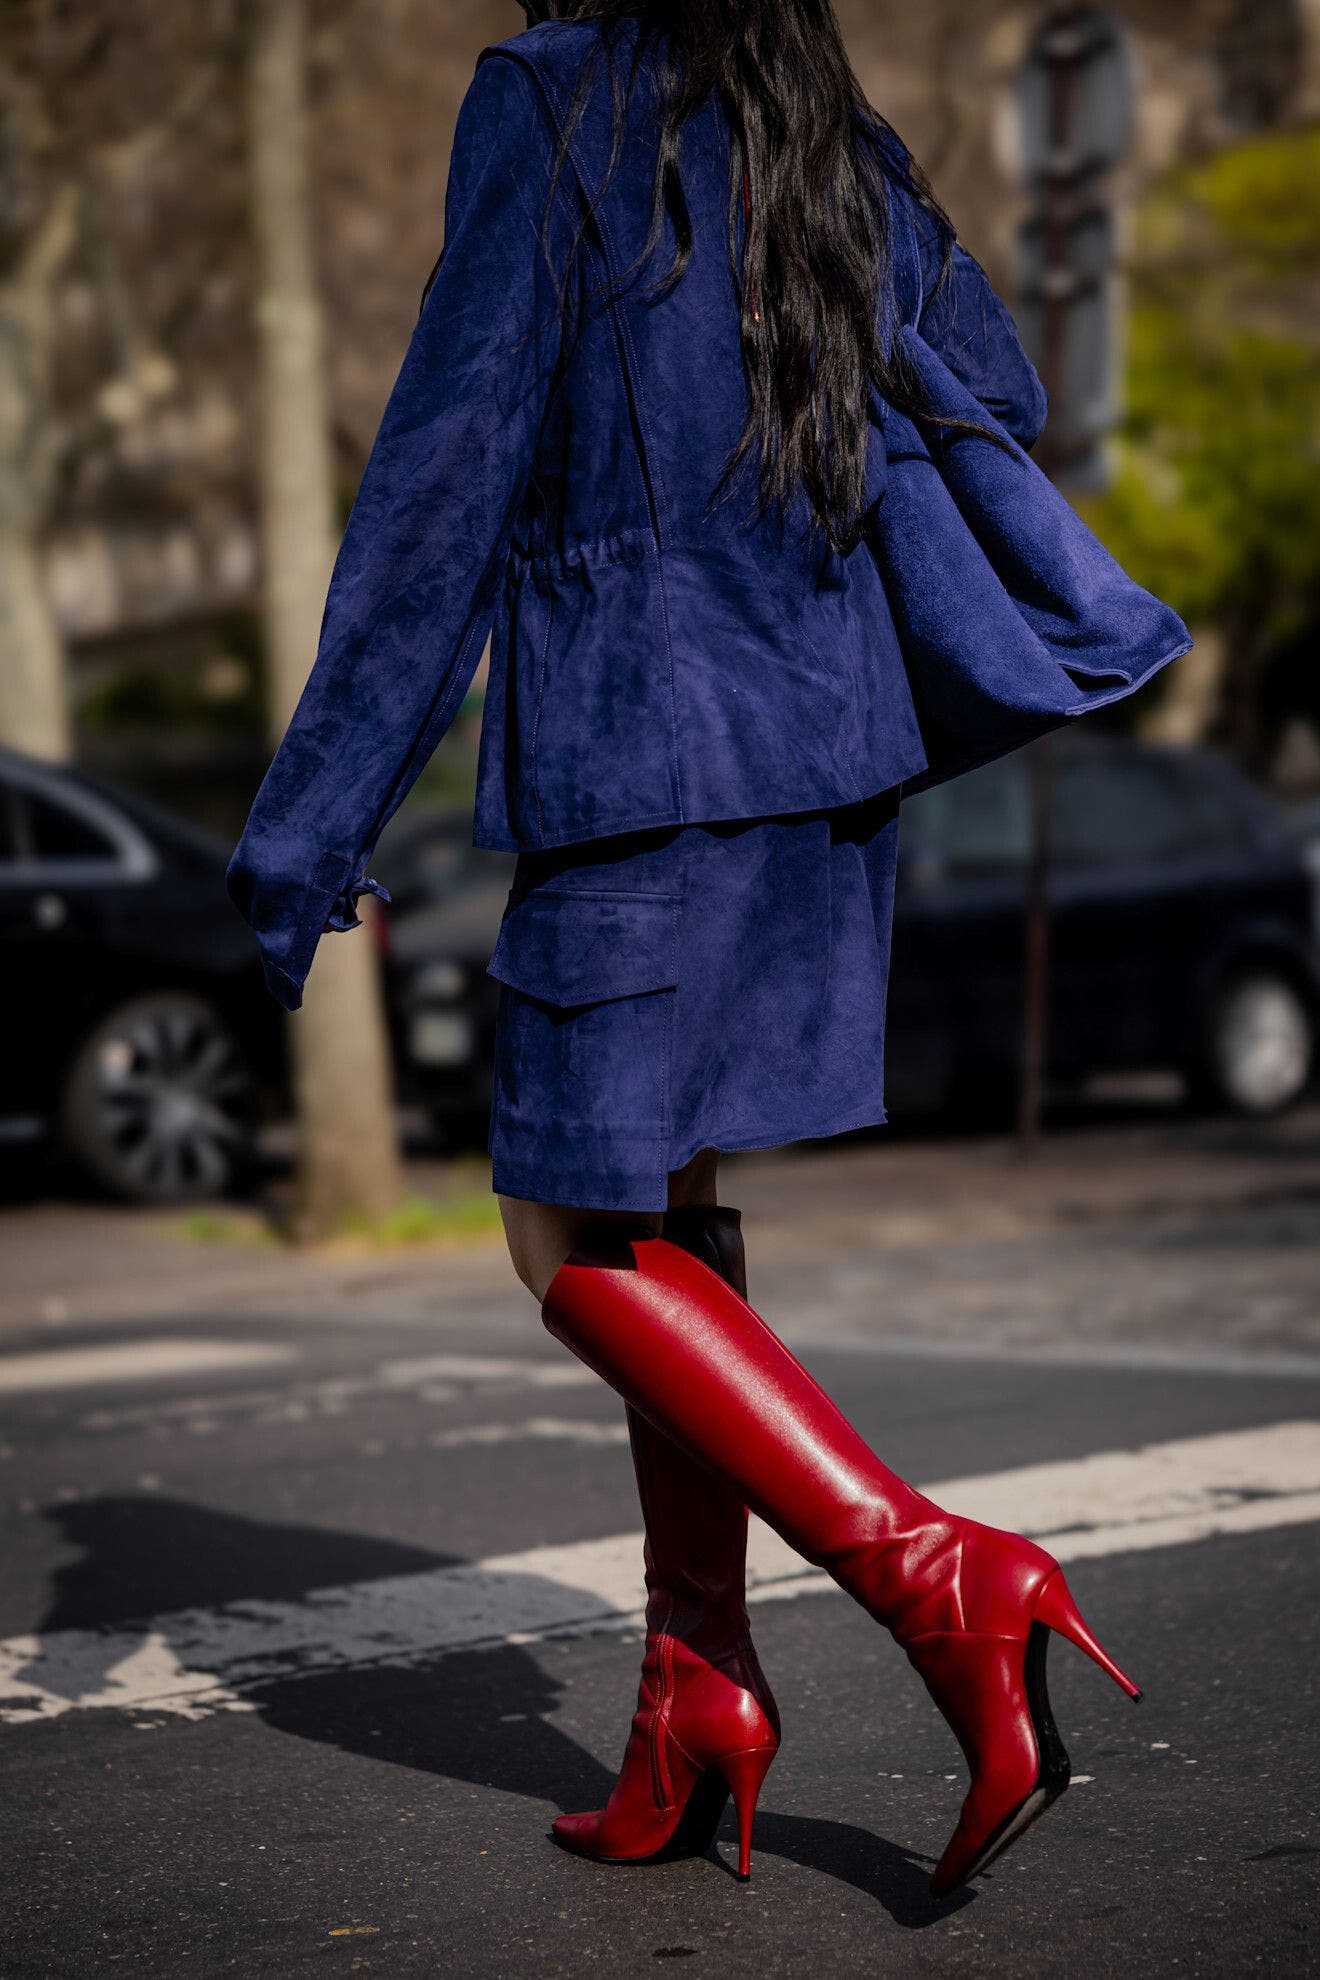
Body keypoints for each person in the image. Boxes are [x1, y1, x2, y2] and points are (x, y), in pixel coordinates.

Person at [228, 1, 1187, 1899]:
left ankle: (942, 1584)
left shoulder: (550, 102)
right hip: (825, 748)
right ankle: (696, 1692)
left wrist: (309, 819)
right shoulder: (809, 105)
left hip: (643, 754)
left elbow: (446, 479)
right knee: (659, 1208)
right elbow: (994, 377)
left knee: (563, 1234)